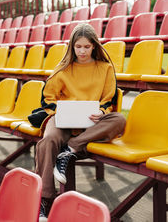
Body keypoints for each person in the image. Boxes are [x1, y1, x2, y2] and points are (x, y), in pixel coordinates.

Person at [28, 23, 126, 221]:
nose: (82, 51)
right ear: (72, 46)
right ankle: (43, 200)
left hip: (91, 123)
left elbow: (109, 99)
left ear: (94, 47)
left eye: (87, 47)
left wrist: (101, 111)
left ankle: (70, 150)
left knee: (119, 119)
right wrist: (61, 111)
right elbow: (47, 98)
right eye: (78, 46)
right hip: (63, 119)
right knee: (48, 142)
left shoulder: (105, 68)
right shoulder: (62, 69)